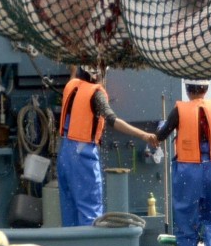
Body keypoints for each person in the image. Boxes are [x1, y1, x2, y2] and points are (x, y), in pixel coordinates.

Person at [56, 64, 158, 227]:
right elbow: (113, 121)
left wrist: (73, 70)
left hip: (65, 152)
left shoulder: (71, 85)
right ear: (98, 75)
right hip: (83, 154)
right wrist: (143, 135)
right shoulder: (96, 95)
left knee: (70, 210)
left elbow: (74, 80)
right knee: (90, 211)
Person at [155, 79, 211, 246]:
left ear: (187, 89)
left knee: (187, 222)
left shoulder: (179, 110)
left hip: (189, 170)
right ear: (206, 88)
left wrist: (159, 129)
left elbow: (162, 134)